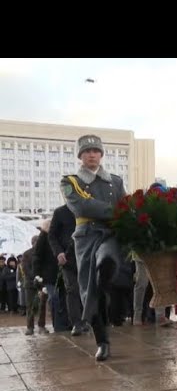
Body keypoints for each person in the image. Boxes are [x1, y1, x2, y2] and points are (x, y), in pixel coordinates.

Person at [60, 134, 126, 361]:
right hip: (86, 237)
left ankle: (107, 279)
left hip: (110, 235)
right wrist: (115, 211)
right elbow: (82, 206)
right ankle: (102, 342)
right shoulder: (71, 182)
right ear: (80, 155)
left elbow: (125, 206)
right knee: (90, 291)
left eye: (96, 151)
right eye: (87, 151)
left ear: (101, 154)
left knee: (106, 260)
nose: (92, 155)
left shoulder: (115, 181)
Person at [48, 203, 86, 335]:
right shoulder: (60, 212)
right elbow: (51, 235)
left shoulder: (87, 209)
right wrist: (58, 252)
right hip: (68, 259)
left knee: (86, 290)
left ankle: (85, 320)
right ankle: (76, 323)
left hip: (86, 257)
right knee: (72, 289)